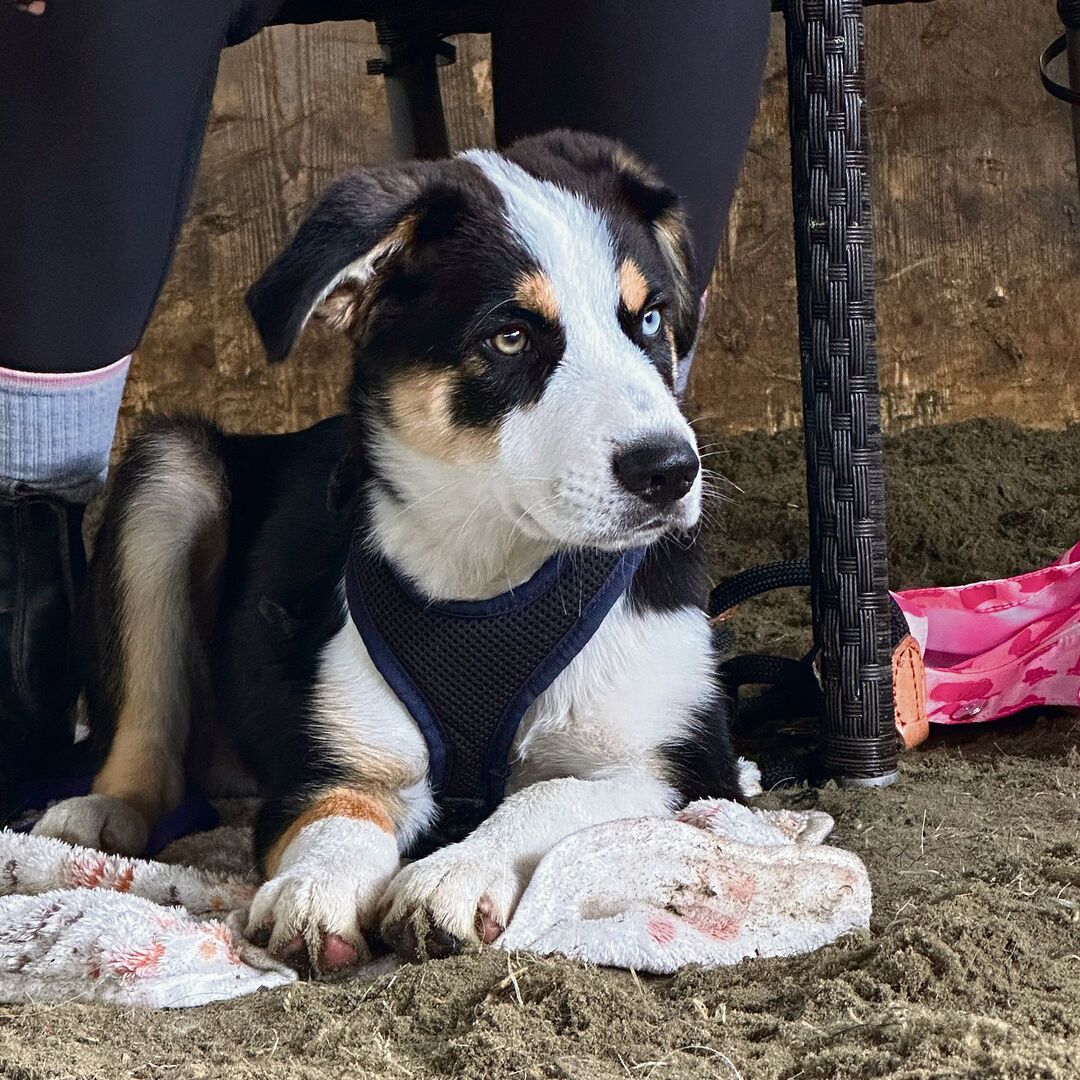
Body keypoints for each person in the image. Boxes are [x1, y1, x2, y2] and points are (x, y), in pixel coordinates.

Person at [0, 0, 770, 808]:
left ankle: (622, 622)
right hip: (311, 660)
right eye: (513, 337)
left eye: (644, 319)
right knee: (174, 477)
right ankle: (125, 765)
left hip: (574, 599)